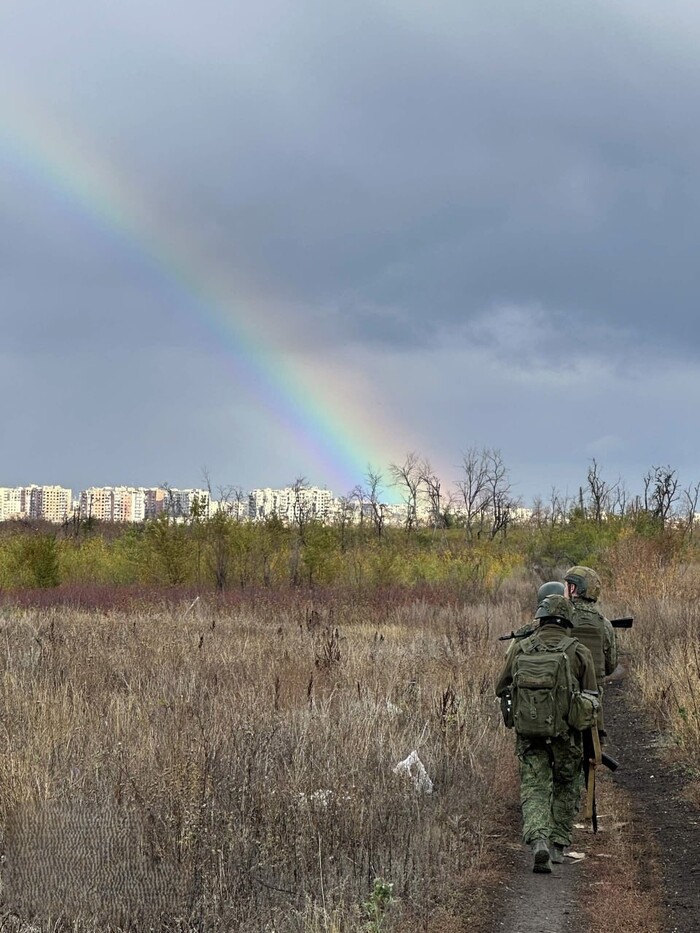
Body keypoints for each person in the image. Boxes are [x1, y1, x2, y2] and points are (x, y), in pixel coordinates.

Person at [495, 594, 598, 873]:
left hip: (529, 734)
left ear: (540, 617)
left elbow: (500, 686)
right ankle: (558, 844)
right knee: (567, 784)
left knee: (535, 786)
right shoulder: (578, 651)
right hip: (567, 736)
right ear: (567, 620)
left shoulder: (521, 647)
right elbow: (591, 696)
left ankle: (538, 840)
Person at [564, 565, 617, 736]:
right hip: (592, 699)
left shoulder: (558, 619)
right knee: (593, 746)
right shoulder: (605, 624)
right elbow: (611, 666)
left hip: (562, 696)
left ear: (573, 588)